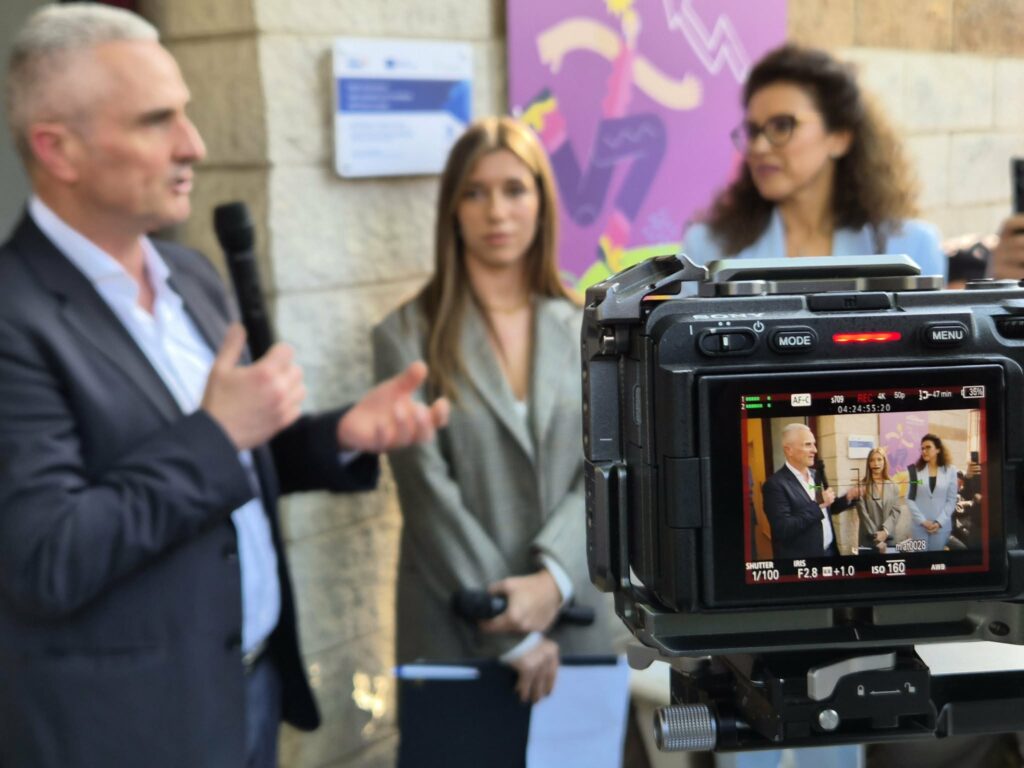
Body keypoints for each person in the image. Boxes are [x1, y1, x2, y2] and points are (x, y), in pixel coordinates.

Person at [0, 6, 449, 768]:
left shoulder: (191, 276)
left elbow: (234, 462)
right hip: (126, 732)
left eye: (186, 113)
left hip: (251, 691)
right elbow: (48, 557)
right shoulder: (15, 317)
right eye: (156, 121)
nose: (194, 145)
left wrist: (334, 436)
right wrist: (217, 433)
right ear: (57, 149)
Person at [372, 117, 623, 706]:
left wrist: (553, 580)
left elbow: (607, 467)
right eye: (475, 193)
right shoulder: (403, 336)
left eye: (514, 189)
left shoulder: (589, 327)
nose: (497, 212)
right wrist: (507, 627)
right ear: (452, 209)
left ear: (542, 202)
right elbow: (427, 496)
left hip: (576, 617)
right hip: (458, 629)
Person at [682, 44, 946, 280]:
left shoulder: (912, 249)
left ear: (839, 137)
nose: (759, 147)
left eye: (782, 126)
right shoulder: (706, 251)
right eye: (754, 131)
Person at [761, 424, 858, 560]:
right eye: (808, 444)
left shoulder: (815, 475)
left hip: (830, 552)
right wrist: (818, 504)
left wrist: (849, 496)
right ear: (789, 450)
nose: (815, 450)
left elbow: (827, 508)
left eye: (814, 444)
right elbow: (783, 529)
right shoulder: (775, 485)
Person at [906, 433, 959, 552]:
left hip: (941, 527)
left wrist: (939, 522)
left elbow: (951, 500)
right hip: (919, 527)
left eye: (928, 447)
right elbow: (910, 499)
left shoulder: (950, 470)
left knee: (936, 560)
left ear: (938, 449)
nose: (924, 451)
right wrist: (923, 521)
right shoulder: (914, 471)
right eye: (922, 448)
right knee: (920, 560)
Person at [853, 448, 904, 554]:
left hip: (889, 538)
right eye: (872, 460)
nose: (876, 463)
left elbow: (896, 511)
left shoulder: (893, 486)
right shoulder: (860, 486)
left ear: (885, 462)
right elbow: (863, 516)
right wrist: (877, 539)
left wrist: (885, 531)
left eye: (879, 459)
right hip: (868, 541)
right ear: (868, 464)